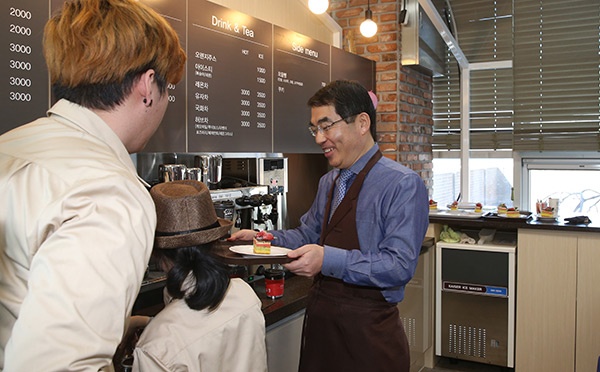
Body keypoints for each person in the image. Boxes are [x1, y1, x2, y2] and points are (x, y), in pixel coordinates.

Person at [0, 0, 186, 370]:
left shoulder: (10, 146)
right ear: (149, 86)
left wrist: (114, 325)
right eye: (171, 90)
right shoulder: (110, 192)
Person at [229, 80, 429, 372]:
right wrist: (264, 240)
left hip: (369, 339)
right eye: (314, 129)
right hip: (321, 331)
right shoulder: (329, 182)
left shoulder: (402, 184)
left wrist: (327, 259)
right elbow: (307, 234)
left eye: (326, 126)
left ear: (362, 123)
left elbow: (398, 266)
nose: (319, 138)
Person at [130, 180, 267, 372]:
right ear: (213, 241)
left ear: (156, 253)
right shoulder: (245, 294)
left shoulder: (155, 347)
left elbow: (184, 330)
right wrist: (143, 322)